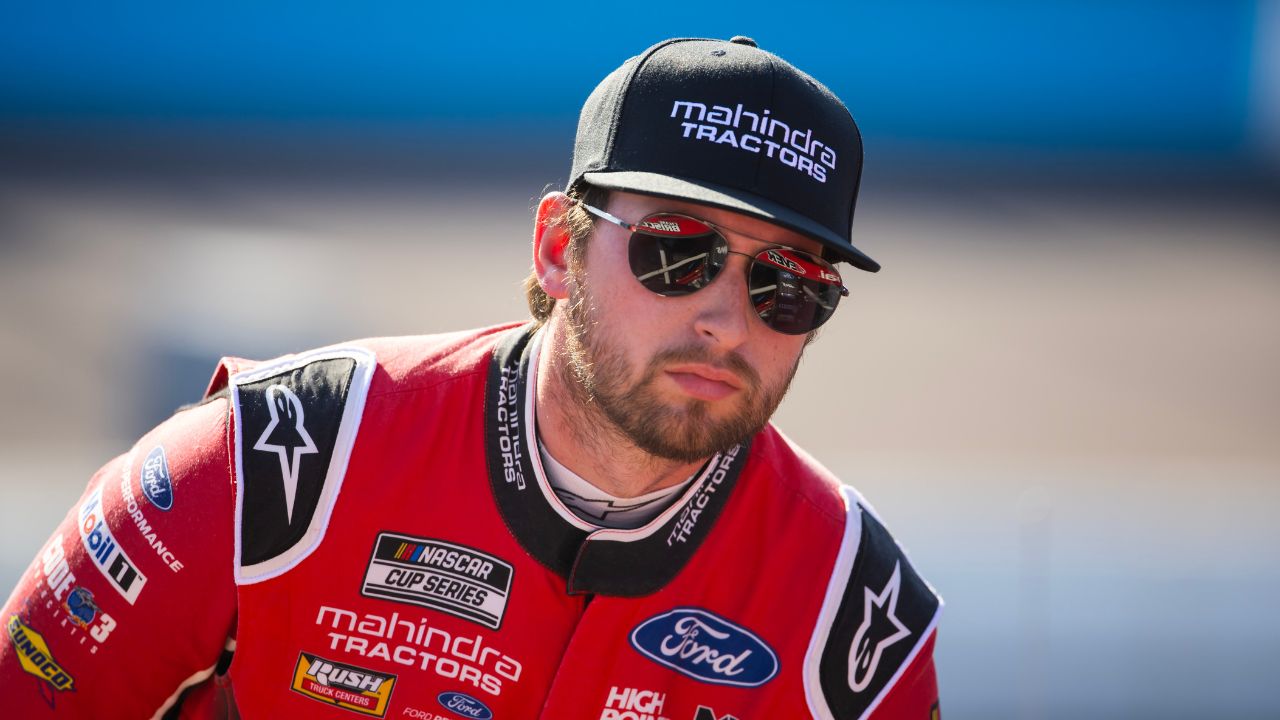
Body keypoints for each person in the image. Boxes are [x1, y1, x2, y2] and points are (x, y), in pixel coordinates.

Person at [0, 36, 941, 719]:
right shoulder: (269, 465)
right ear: (557, 250)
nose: (728, 319)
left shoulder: (857, 622)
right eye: (675, 254)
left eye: (789, 286)